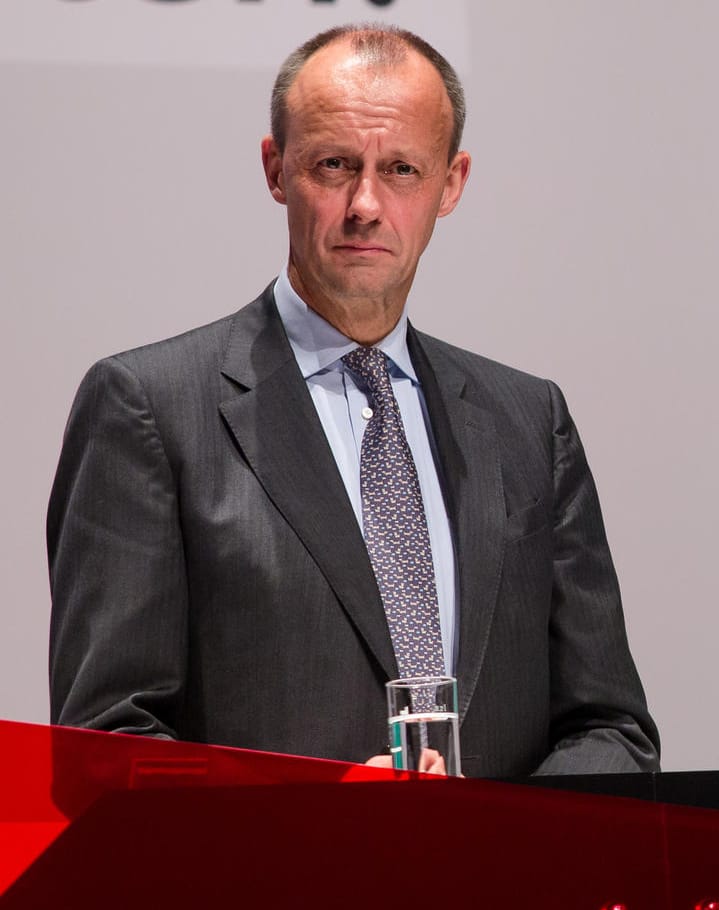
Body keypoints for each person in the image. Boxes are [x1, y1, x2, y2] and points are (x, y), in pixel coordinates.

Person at [46, 24, 658, 776]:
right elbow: (108, 746)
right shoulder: (148, 408)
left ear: (452, 183)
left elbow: (613, 730)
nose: (366, 204)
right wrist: (317, 821)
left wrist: (505, 835)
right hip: (274, 891)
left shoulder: (530, 421)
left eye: (402, 169)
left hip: (500, 888)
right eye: (335, 164)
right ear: (276, 169)